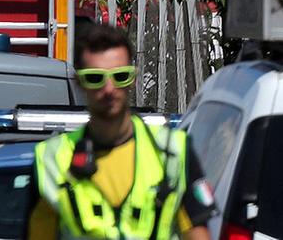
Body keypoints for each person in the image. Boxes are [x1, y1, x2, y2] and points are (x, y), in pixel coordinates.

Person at [29, 24, 214, 240]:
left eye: (120, 76)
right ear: (79, 82)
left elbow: (198, 231)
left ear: (133, 79)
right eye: (95, 78)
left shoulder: (172, 151)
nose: (109, 89)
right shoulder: (51, 160)